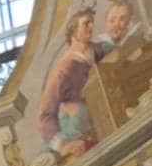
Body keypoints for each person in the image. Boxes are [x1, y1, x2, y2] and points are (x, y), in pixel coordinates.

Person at [37, 10, 106, 157]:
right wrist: (62, 145)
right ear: (74, 30)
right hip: (79, 130)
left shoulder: (97, 50)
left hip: (102, 118)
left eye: (92, 22)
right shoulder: (65, 68)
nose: (91, 27)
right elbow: (45, 114)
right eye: (86, 23)